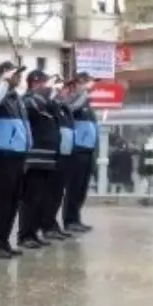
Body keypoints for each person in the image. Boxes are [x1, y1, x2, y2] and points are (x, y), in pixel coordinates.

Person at [0, 61, 29, 259]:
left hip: (18, 155)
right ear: (4, 74)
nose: (18, 77)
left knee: (13, 202)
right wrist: (3, 81)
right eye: (14, 73)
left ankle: (4, 240)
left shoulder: (16, 98)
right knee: (0, 202)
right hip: (3, 155)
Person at [18, 70, 61, 248]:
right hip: (35, 158)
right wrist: (47, 95)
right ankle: (25, 234)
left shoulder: (46, 102)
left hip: (47, 159)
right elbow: (35, 110)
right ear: (35, 84)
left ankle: (33, 232)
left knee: (40, 198)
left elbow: (54, 110)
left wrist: (52, 97)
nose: (47, 87)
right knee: (30, 198)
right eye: (44, 83)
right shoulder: (29, 101)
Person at [64, 73, 97, 233]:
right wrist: (83, 93)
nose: (92, 86)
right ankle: (69, 219)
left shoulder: (87, 103)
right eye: (88, 83)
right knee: (74, 187)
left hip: (88, 149)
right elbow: (71, 110)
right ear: (80, 83)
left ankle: (76, 218)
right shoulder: (73, 98)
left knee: (82, 187)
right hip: (76, 150)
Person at [43, 78, 75, 240]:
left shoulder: (64, 108)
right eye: (63, 89)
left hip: (66, 155)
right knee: (51, 193)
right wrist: (53, 94)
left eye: (67, 89)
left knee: (58, 194)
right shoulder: (52, 106)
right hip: (55, 155)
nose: (66, 92)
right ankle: (47, 225)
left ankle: (53, 223)